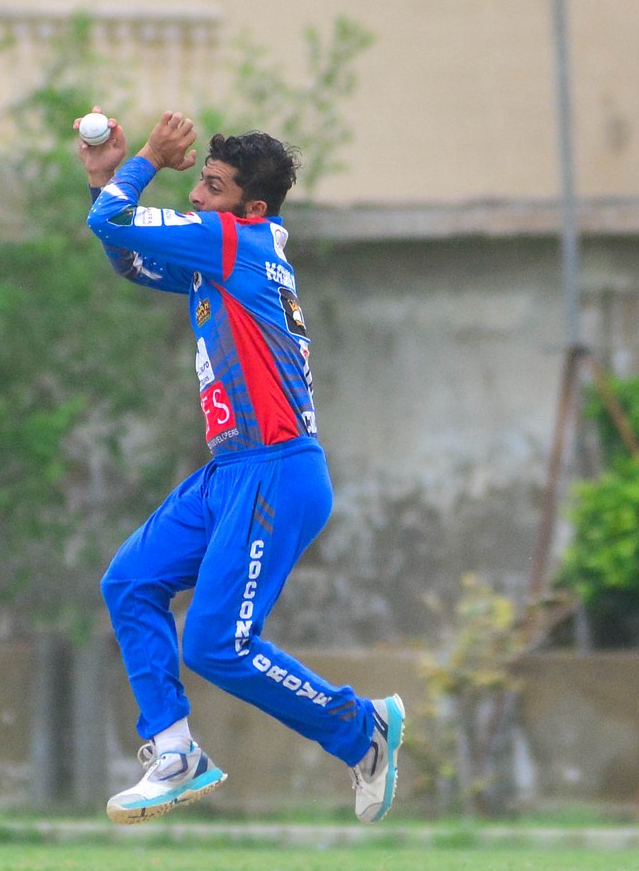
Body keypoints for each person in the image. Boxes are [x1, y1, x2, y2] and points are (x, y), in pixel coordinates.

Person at [75, 108, 404, 826]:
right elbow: (128, 255)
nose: (196, 196)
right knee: (130, 582)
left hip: (275, 471)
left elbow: (113, 222)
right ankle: (175, 753)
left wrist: (145, 162)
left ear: (251, 208)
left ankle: (361, 728)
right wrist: (104, 176)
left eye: (213, 187)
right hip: (231, 472)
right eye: (200, 181)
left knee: (215, 644)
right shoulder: (225, 251)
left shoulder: (233, 242)